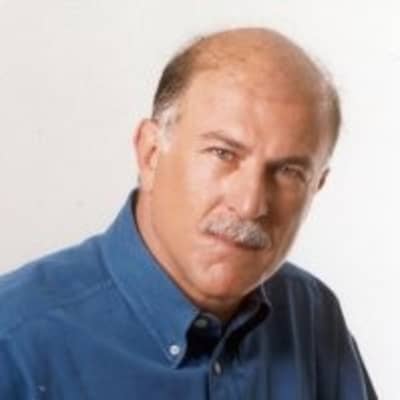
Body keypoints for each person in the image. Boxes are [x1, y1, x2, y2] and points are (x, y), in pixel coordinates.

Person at [0, 27, 377, 399]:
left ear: (318, 186)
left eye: (289, 172)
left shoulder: (312, 316)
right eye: (223, 153)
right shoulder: (13, 342)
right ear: (150, 154)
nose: (250, 205)